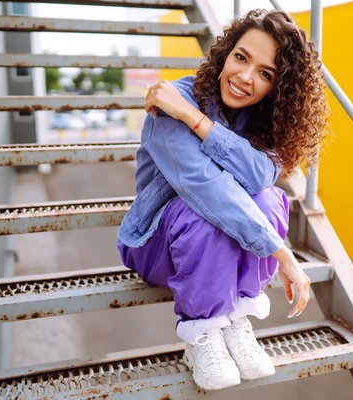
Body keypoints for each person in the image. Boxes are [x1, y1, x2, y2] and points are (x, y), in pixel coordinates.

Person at [117, 9, 328, 391]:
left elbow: (258, 176)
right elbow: (205, 186)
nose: (245, 77)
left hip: (221, 253)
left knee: (269, 200)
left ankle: (234, 317)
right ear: (226, 52)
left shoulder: (268, 121)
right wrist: (283, 254)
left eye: (266, 74)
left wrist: (197, 122)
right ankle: (201, 333)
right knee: (201, 210)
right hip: (158, 244)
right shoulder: (172, 99)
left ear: (277, 89)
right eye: (242, 57)